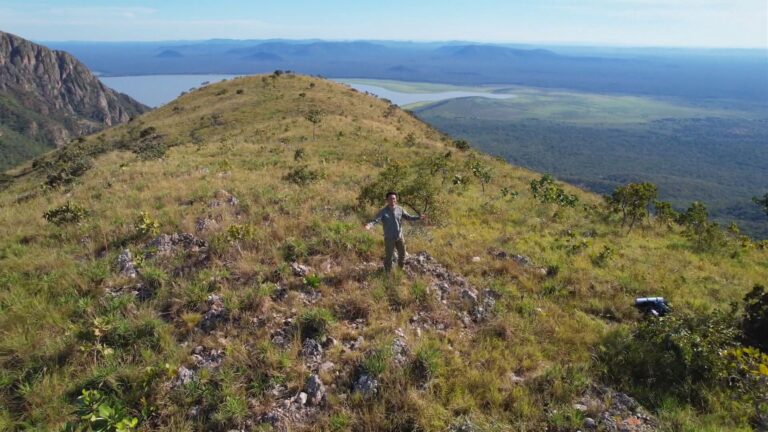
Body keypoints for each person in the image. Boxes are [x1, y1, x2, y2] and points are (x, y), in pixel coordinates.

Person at [364, 191, 425, 272]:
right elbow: (376, 220)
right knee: (389, 257)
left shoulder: (400, 209)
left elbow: (409, 217)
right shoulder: (383, 211)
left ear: (396, 199)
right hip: (389, 238)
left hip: (399, 237)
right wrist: (369, 225)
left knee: (402, 255)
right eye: (390, 198)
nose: (392, 200)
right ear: (387, 200)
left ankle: (400, 271)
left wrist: (419, 217)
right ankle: (387, 273)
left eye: (394, 198)